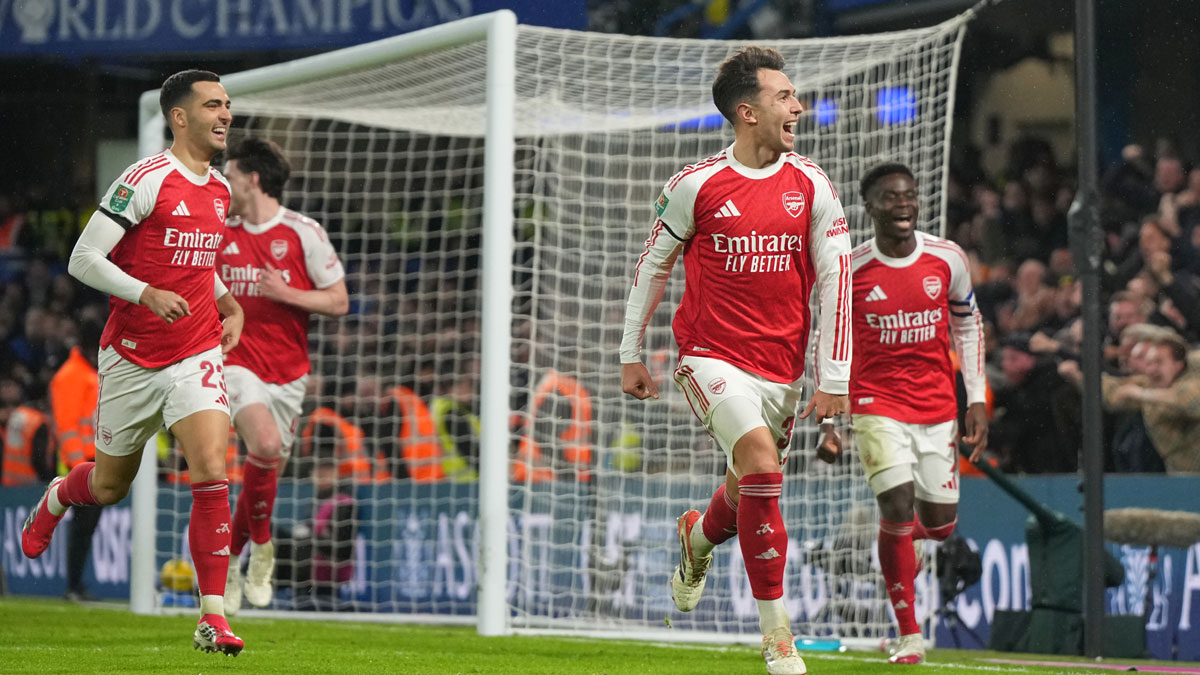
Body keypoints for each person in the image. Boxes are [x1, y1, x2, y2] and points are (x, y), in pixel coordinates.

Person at [619, 46, 852, 675]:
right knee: (760, 463)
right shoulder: (695, 185)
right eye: (785, 96)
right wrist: (630, 352)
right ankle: (778, 638)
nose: (798, 107)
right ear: (748, 113)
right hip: (709, 357)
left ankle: (697, 536)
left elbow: (838, 282)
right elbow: (653, 266)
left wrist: (833, 378)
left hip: (783, 369)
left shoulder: (813, 185)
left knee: (747, 485)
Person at [20, 69, 246, 656]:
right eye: (213, 105)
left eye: (227, 105)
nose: (226, 114)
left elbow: (196, 265)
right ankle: (58, 495)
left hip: (195, 349)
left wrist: (227, 302)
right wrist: (145, 293)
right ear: (180, 117)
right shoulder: (145, 179)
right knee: (109, 486)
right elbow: (84, 258)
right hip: (132, 356)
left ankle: (212, 617)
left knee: (212, 468)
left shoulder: (220, 191)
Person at [815, 163, 987, 664]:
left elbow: (968, 324)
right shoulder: (852, 270)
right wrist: (830, 422)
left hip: (937, 407)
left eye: (909, 195)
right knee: (896, 502)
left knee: (939, 525)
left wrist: (975, 397)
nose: (904, 204)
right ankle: (909, 634)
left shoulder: (948, 258)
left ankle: (895, 539)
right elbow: (830, 342)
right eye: (891, 197)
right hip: (877, 405)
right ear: (869, 207)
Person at [216, 137, 348, 613]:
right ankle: (262, 548)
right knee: (266, 445)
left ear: (252, 180)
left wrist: (287, 293)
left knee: (262, 480)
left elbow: (339, 300)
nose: (224, 185)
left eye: (230, 176)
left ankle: (233, 562)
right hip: (236, 363)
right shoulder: (220, 233)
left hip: (289, 375)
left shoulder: (303, 232)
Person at [49, 319, 102, 601]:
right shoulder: (71, 375)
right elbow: (66, 425)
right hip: (79, 464)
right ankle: (73, 585)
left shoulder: (87, 373)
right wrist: (79, 467)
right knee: (82, 527)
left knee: (86, 527)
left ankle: (76, 585)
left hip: (93, 461)